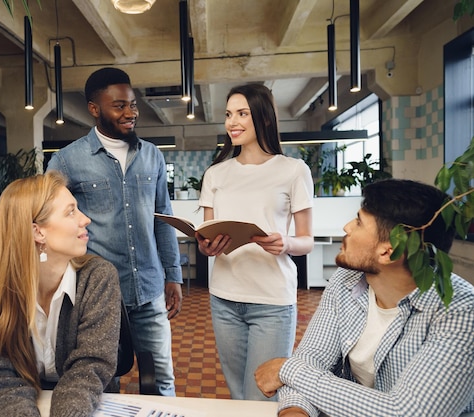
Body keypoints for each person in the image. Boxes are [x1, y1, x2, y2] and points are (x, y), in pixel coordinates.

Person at [255, 178, 474, 417]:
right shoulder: (346, 280)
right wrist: (296, 410)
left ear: (388, 251)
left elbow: (406, 412)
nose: (347, 227)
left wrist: (289, 370)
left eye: (359, 222)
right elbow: (311, 358)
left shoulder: (460, 312)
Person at [47, 67, 182, 396]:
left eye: (133, 105)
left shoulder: (151, 155)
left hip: (149, 291)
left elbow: (163, 218)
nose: (130, 113)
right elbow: (49, 220)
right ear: (94, 109)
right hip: (98, 295)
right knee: (105, 384)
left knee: (162, 381)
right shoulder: (67, 160)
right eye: (119, 106)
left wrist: (173, 274)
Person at [0, 171, 121, 416]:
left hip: (83, 403)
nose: (85, 219)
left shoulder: (97, 277)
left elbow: (89, 367)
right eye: (70, 212)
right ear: (38, 232)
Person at [196, 83, 314, 401]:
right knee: (239, 395)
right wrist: (206, 246)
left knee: (263, 396)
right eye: (228, 114)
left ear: (262, 118)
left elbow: (307, 241)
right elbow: (206, 233)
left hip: (272, 302)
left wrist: (285, 243)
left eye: (242, 114)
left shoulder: (293, 171)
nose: (232, 122)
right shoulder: (216, 174)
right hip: (223, 298)